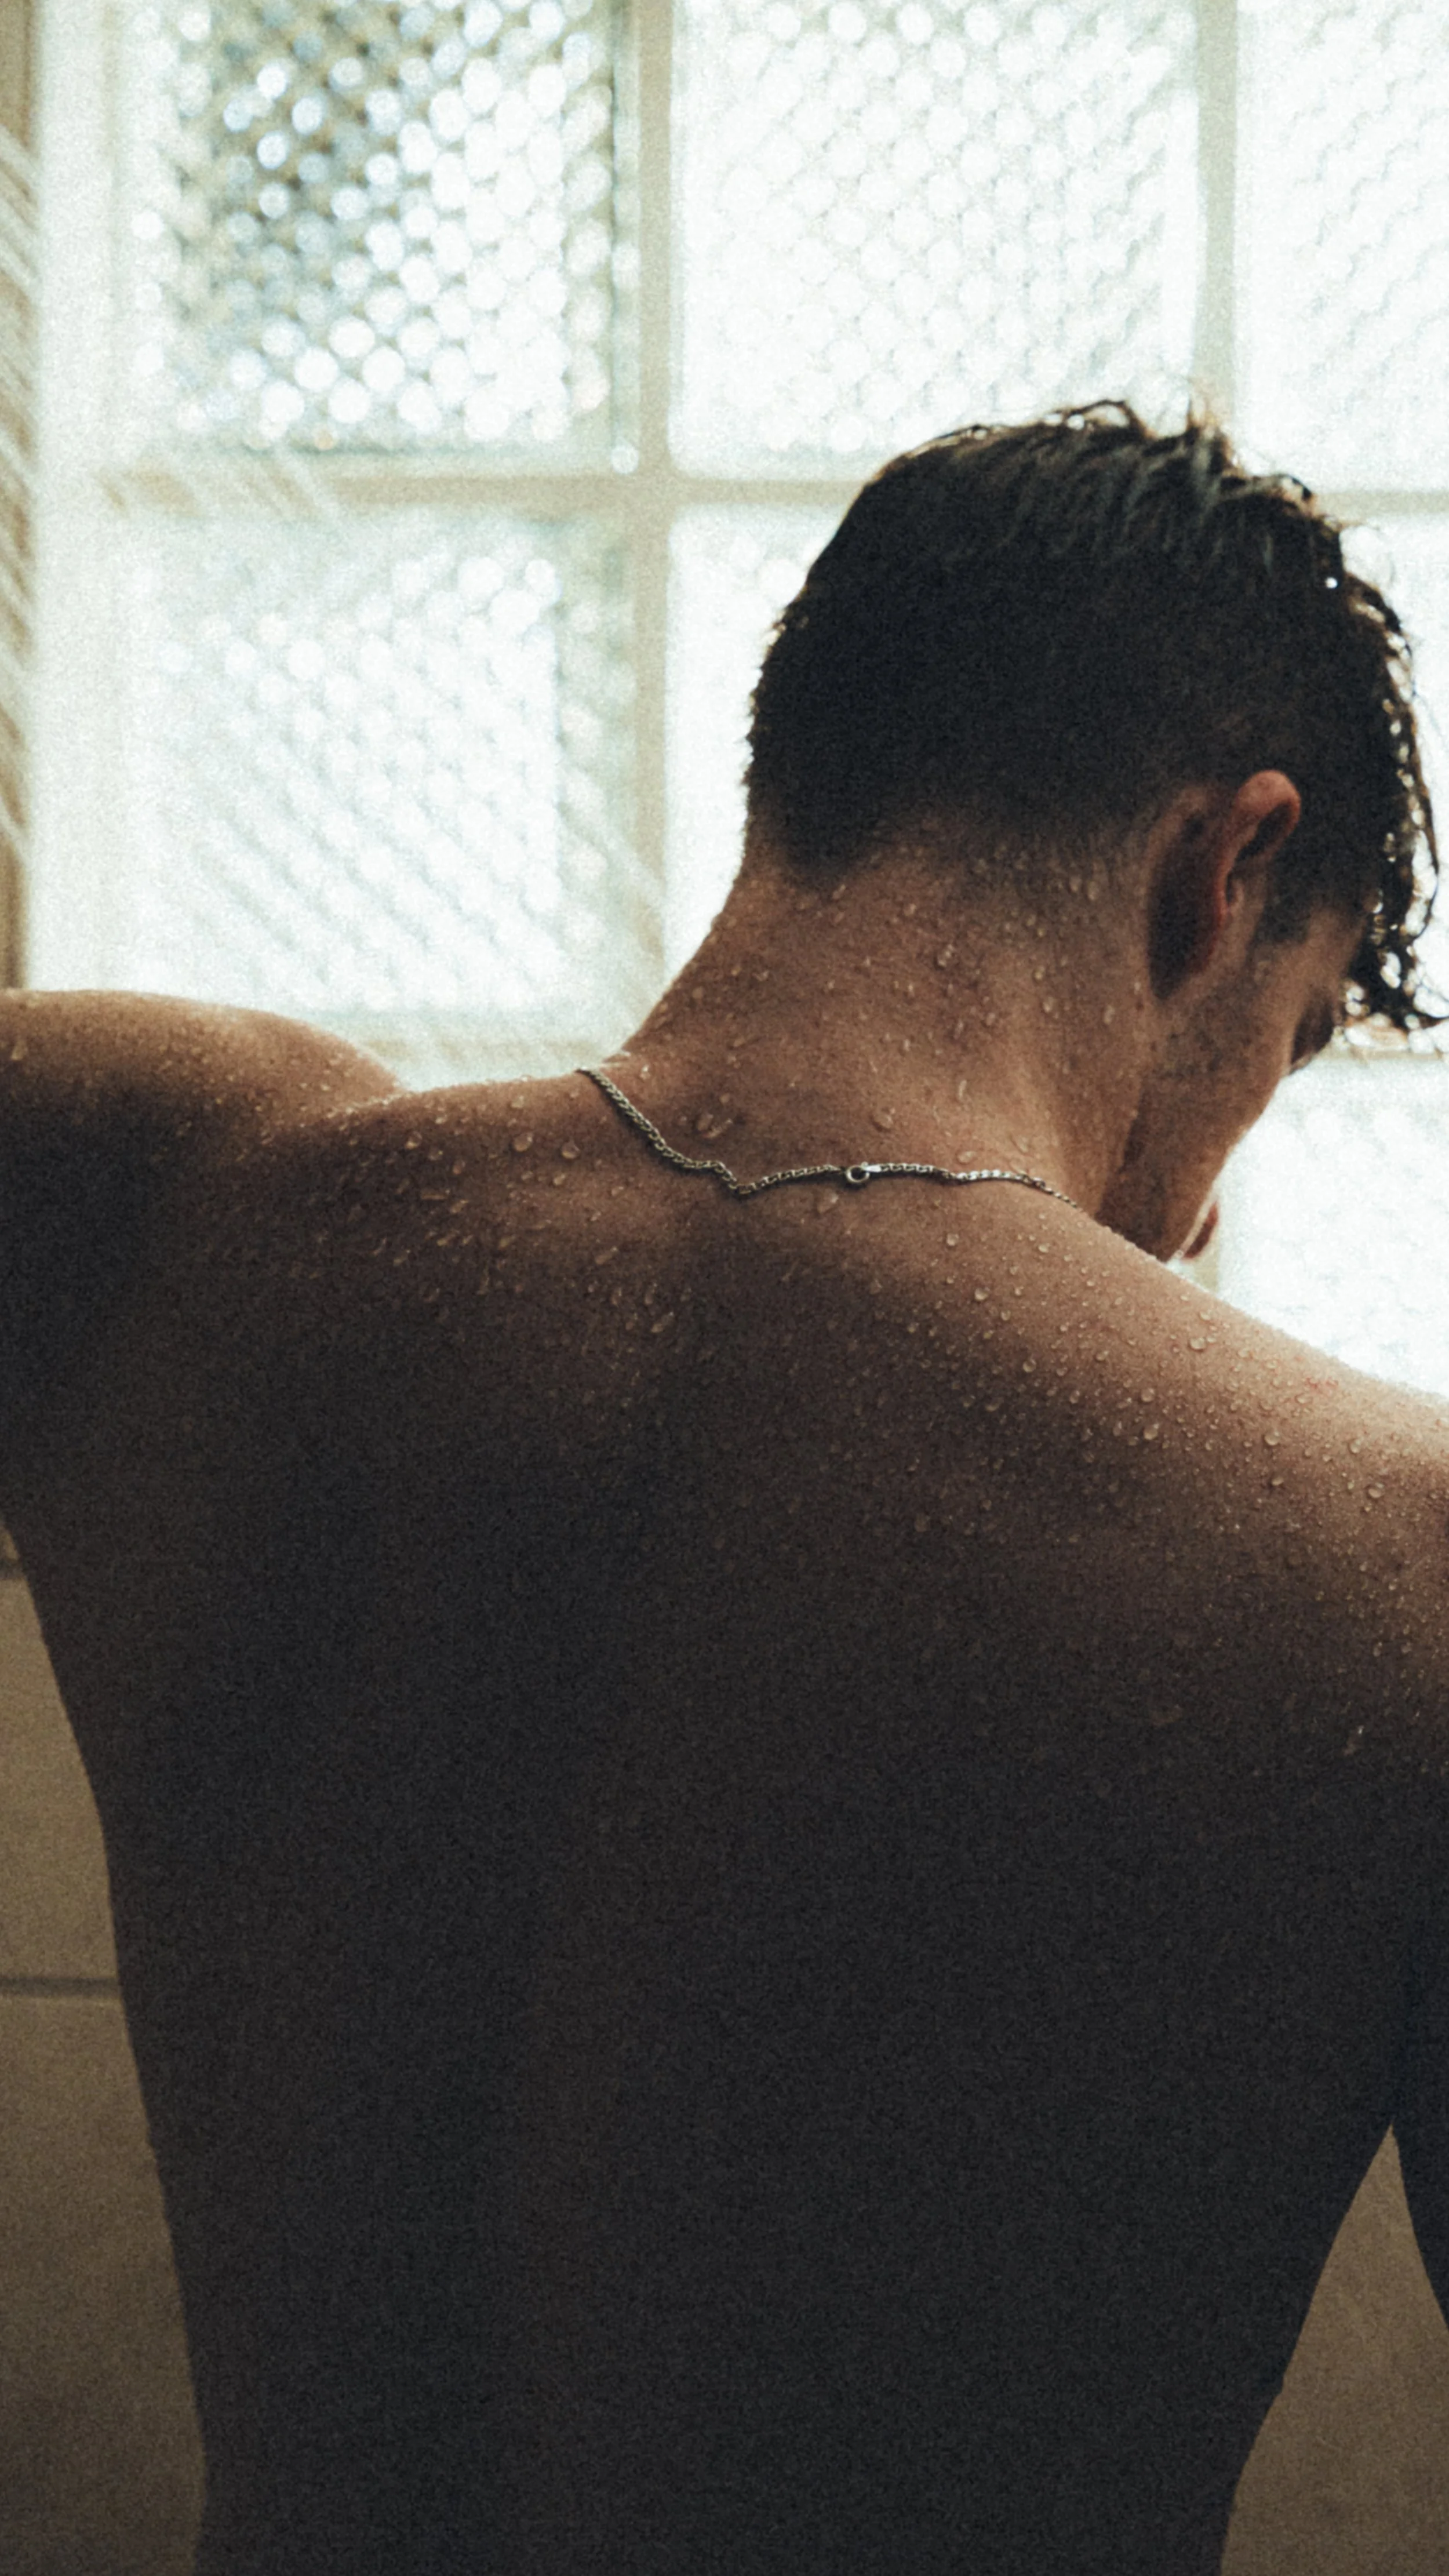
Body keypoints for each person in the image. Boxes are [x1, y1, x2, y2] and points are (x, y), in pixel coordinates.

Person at [3, 401, 1449, 2575]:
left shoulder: (157, 1209)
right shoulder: (1393, 1554)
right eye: (1290, 1025)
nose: (1210, 1193)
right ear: (1222, 867)